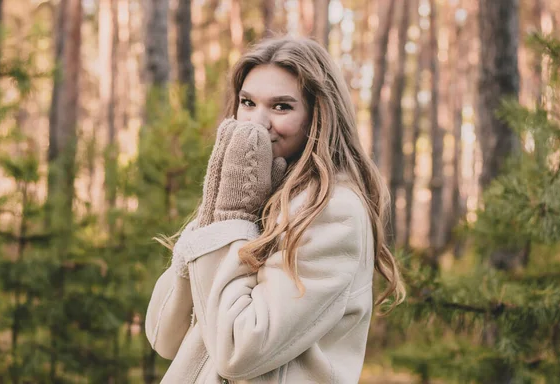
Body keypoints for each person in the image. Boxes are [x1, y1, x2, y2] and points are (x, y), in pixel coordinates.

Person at [144, 35, 405, 384]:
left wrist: (229, 221)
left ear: (318, 117)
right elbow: (164, 336)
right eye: (247, 102)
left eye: (281, 107)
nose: (256, 123)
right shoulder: (253, 197)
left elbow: (238, 353)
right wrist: (211, 217)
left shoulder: (332, 212)